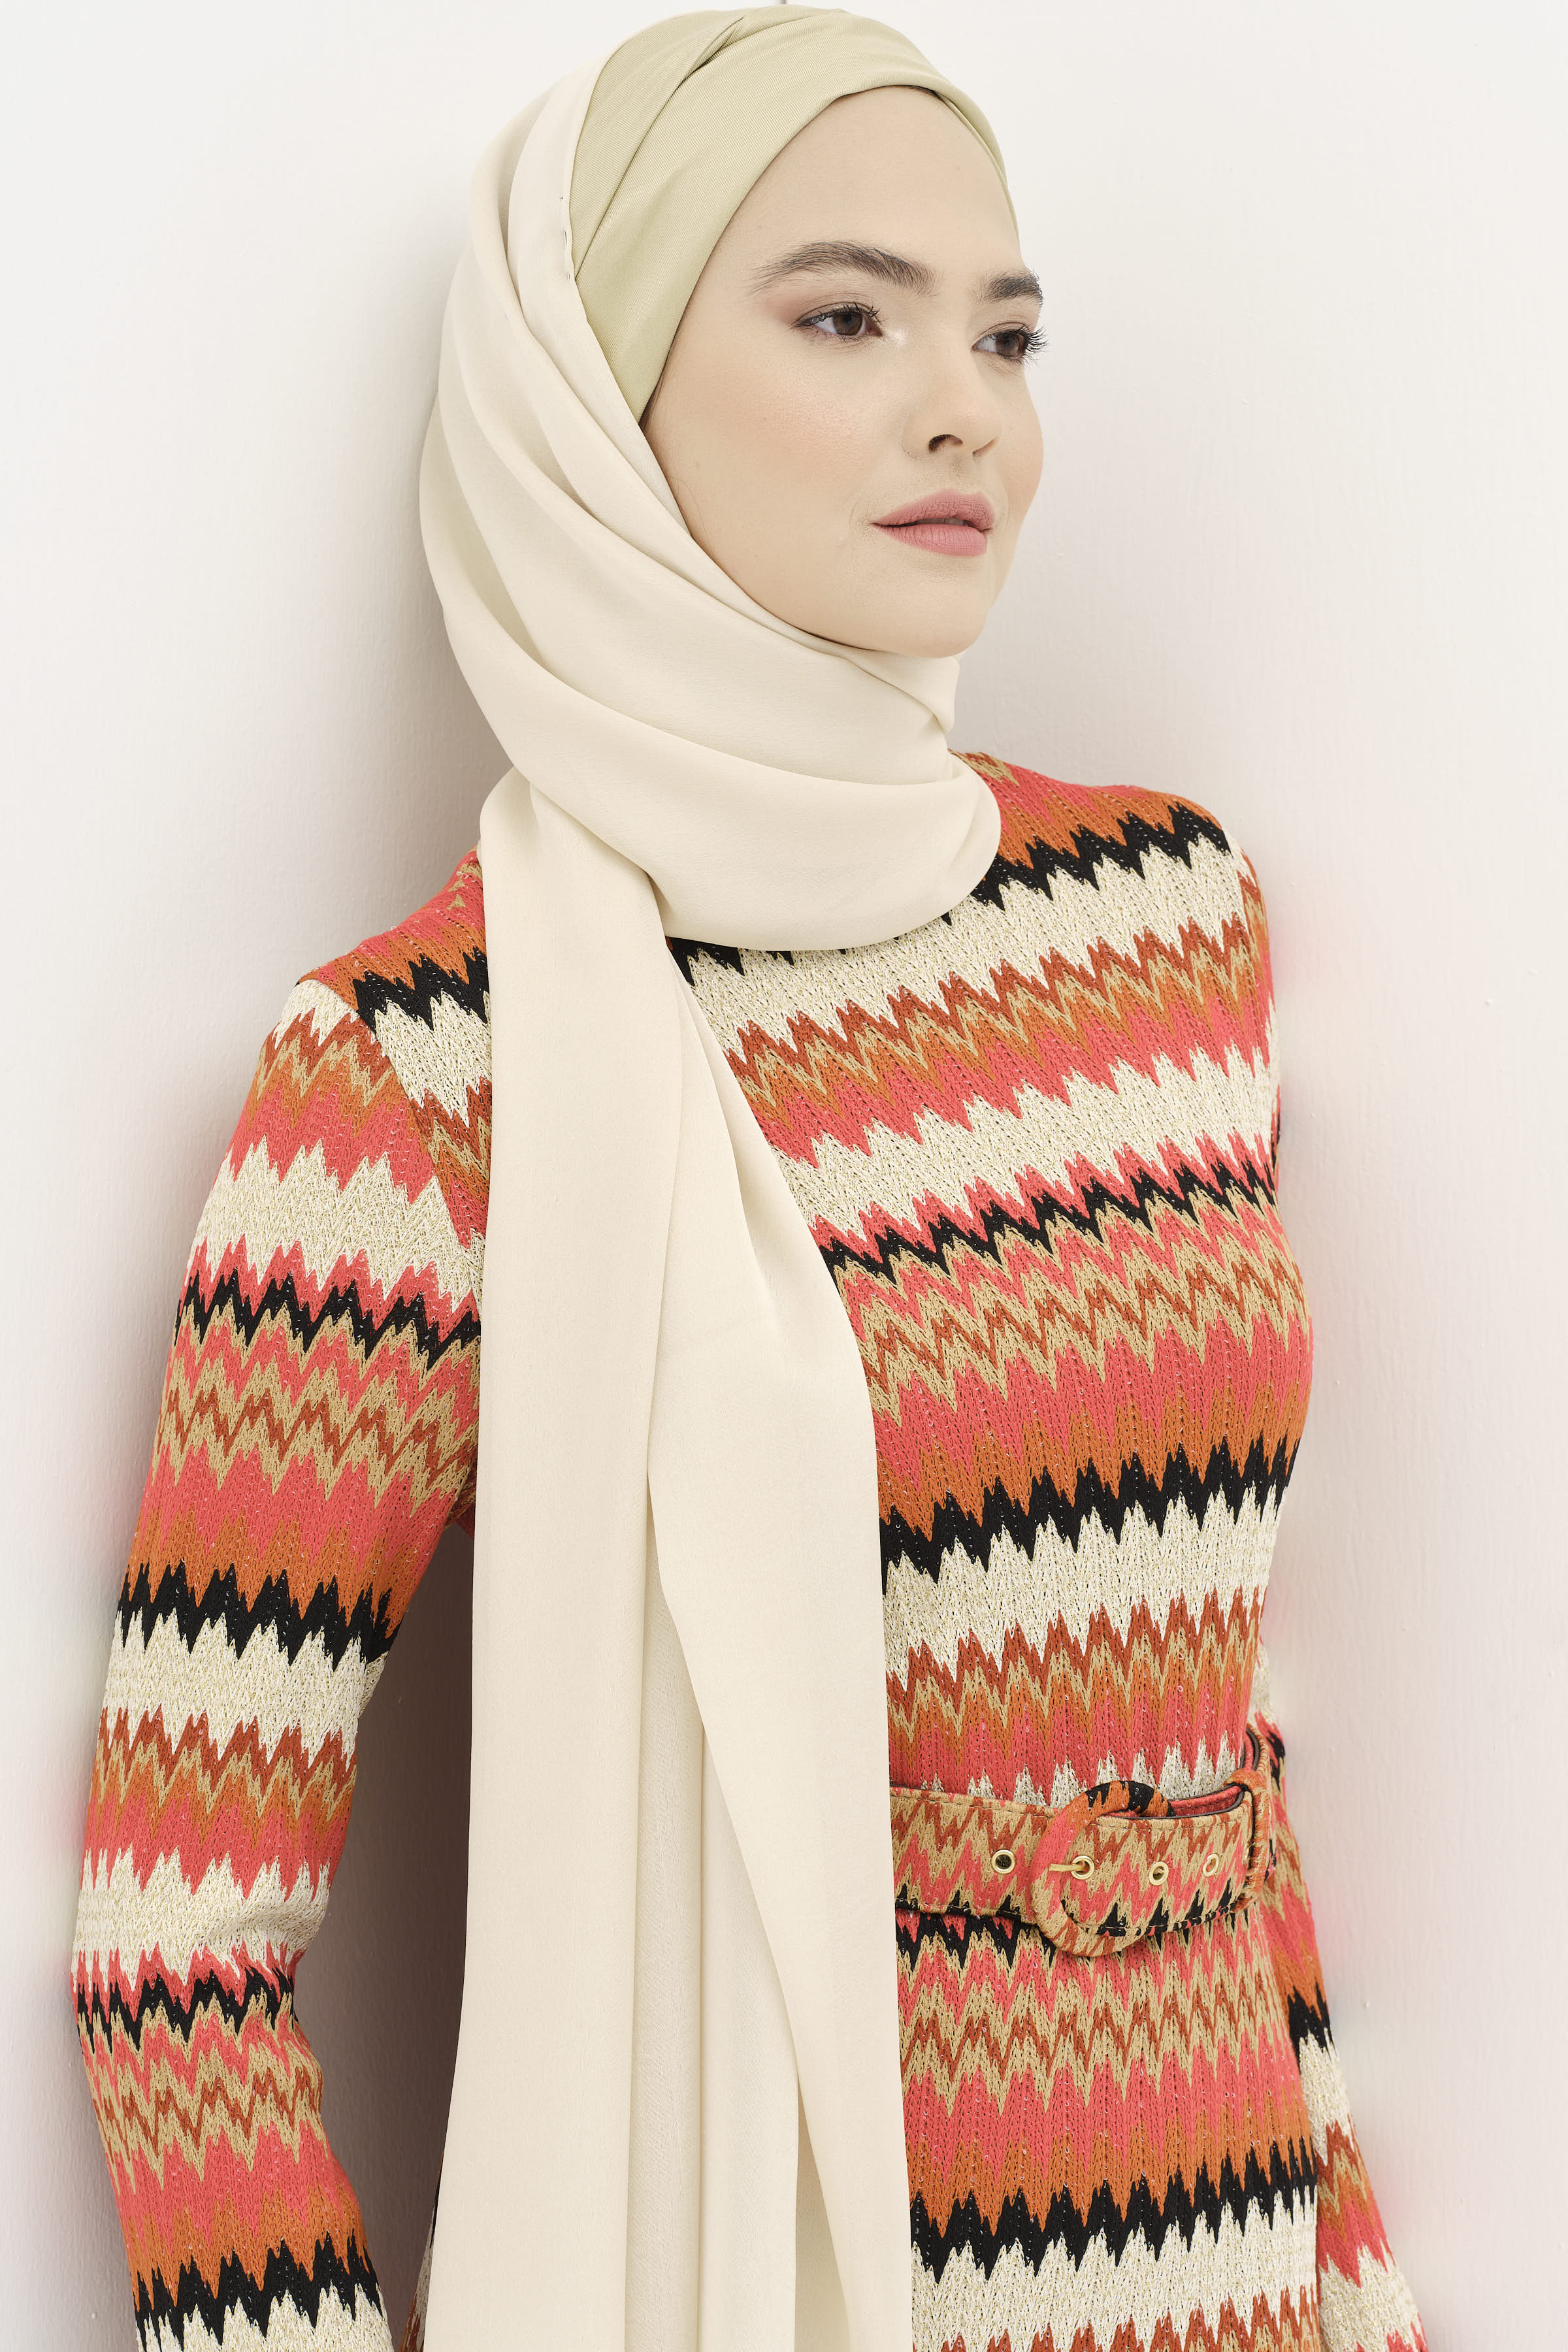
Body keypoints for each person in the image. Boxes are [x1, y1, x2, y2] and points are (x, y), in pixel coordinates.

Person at [71, 10, 1428, 2351]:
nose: (964, 406)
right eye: (844, 318)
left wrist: (1355, 2270)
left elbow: (1222, 1734)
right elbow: (171, 1950)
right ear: (599, 396)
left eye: (1007, 333)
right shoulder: (422, 1076)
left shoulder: (1169, 922)